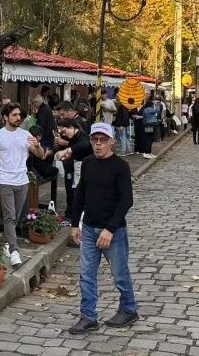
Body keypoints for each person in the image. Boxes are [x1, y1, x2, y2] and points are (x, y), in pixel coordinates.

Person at [68, 123, 137, 335]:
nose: (98, 145)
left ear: (111, 142)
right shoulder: (88, 163)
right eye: (94, 140)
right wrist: (74, 223)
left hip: (113, 231)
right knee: (86, 274)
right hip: (89, 227)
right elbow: (80, 193)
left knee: (120, 273)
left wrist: (110, 228)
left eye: (102, 140)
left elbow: (127, 200)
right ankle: (88, 316)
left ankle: (128, 308)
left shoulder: (120, 166)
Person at [0, 102, 46, 267]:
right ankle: (14, 251)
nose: (18, 118)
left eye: (19, 115)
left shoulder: (26, 134)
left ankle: (7, 244)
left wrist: (37, 145)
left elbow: (40, 155)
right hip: (5, 180)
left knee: (16, 217)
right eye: (14, 115)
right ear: (6, 117)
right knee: (10, 216)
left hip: (22, 181)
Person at [55, 118, 92, 220]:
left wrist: (67, 150)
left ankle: (76, 215)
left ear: (71, 127)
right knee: (71, 191)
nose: (63, 134)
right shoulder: (72, 138)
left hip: (82, 167)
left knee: (76, 191)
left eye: (64, 131)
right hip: (74, 166)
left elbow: (84, 145)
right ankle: (71, 214)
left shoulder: (82, 136)